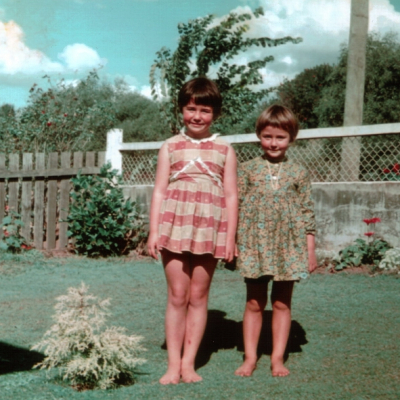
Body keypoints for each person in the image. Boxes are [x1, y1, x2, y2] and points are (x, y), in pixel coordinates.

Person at [147, 77, 238, 384]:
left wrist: (229, 238)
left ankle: (189, 364)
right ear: (181, 110)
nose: (197, 116)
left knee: (198, 296)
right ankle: (173, 365)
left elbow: (231, 196)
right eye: (191, 109)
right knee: (177, 295)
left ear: (216, 114)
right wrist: (152, 232)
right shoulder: (169, 147)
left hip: (210, 227)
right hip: (173, 224)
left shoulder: (225, 149)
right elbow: (159, 191)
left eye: (205, 110)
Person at [234, 104, 317, 378]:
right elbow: (237, 206)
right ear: (259, 135)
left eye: (280, 137)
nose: (273, 142)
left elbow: (307, 213)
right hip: (254, 245)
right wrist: (234, 242)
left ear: (291, 138)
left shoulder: (299, 172)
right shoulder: (246, 170)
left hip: (288, 247)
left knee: (281, 303)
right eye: (268, 136)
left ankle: (277, 358)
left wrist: (310, 250)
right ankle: (250, 357)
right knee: (254, 302)